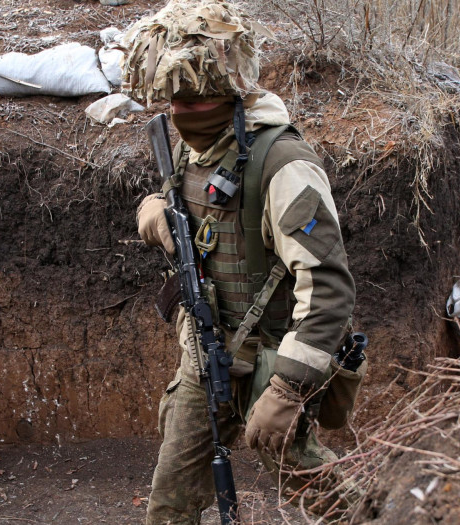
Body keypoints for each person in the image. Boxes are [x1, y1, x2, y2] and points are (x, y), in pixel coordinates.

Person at [125, 2, 361, 523]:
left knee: (323, 494)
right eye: (171, 101)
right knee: (169, 506)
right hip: (205, 356)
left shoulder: (283, 166)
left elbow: (329, 288)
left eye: (192, 99)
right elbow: (204, 214)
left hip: (271, 365)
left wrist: (287, 390)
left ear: (227, 89)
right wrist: (160, 209)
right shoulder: (197, 147)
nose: (179, 113)